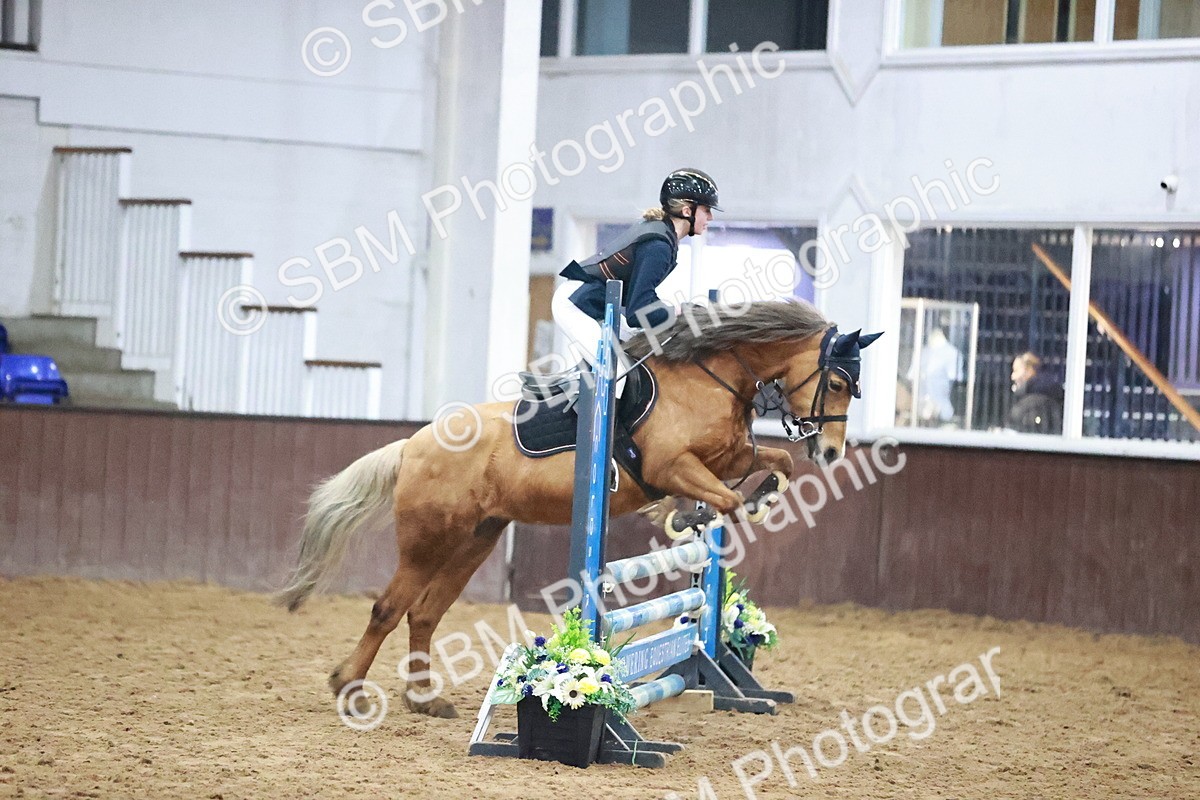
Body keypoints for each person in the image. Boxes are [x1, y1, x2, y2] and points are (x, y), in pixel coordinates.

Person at [535, 168, 718, 398]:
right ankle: (579, 421)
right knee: (618, 374)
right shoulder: (659, 245)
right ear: (687, 210)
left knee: (640, 351)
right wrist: (677, 311)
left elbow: (639, 304)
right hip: (576, 302)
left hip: (597, 302)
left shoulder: (664, 237)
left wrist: (674, 312)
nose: (710, 217)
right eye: (707, 210)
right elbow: (637, 312)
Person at [1007, 352, 1063, 434]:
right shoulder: (1053, 395)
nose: (1013, 376)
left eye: (1016, 371)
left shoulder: (1030, 403)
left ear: (1029, 370)